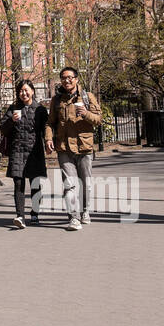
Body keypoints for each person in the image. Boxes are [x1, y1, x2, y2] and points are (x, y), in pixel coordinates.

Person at [46, 67, 102, 231]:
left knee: (85, 184)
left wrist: (85, 114)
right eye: (63, 78)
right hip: (64, 147)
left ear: (76, 79)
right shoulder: (56, 100)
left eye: (70, 77)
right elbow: (50, 123)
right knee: (69, 184)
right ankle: (74, 218)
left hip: (84, 147)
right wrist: (49, 138)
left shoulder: (87, 97)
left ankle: (85, 211)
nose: (67, 80)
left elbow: (98, 120)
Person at [0, 79, 49, 228]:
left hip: (34, 151)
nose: (24, 93)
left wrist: (49, 141)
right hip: (17, 150)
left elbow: (46, 128)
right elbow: (3, 128)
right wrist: (11, 121)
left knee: (35, 184)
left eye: (26, 90)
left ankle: (35, 214)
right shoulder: (14, 108)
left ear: (32, 91)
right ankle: (20, 216)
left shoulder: (40, 110)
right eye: (21, 91)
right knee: (18, 184)